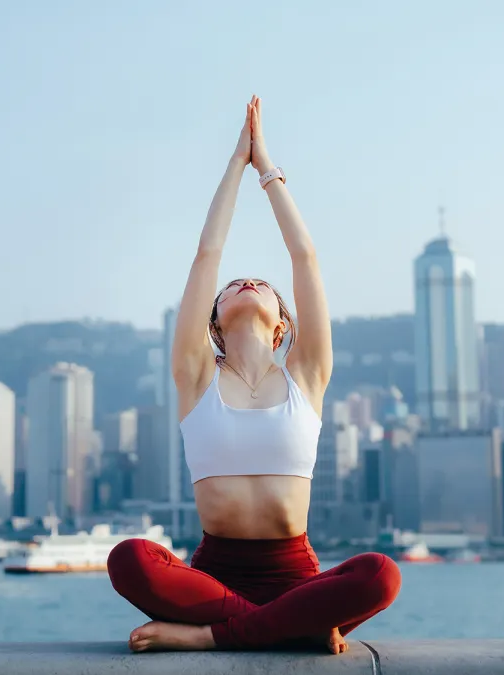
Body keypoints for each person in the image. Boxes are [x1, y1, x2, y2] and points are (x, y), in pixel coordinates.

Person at [106, 96, 401, 654]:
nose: (245, 282)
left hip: (297, 579)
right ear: (212, 323)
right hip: (212, 582)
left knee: (382, 573)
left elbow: (305, 257)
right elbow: (206, 254)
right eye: (231, 286)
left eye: (261, 282)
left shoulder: (307, 375)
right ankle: (290, 629)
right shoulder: (194, 377)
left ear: (283, 322)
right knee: (128, 560)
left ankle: (219, 638)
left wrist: (266, 167)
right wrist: (234, 164)